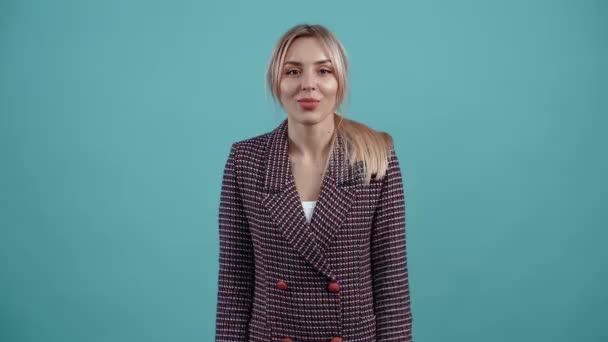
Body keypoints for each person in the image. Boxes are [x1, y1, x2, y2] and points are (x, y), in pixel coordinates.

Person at [215, 23, 413, 342]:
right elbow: (235, 285)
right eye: (293, 72)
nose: (308, 85)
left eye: (323, 71)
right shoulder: (246, 160)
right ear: (275, 82)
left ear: (340, 82)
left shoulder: (376, 156)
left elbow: (391, 286)